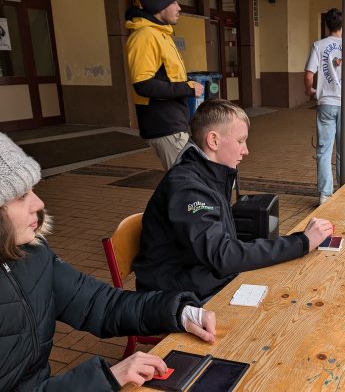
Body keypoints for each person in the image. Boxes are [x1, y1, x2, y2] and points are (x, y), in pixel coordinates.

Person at [0, 133, 216, 391]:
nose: (39, 202)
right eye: (21, 195)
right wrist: (108, 378)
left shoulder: (31, 253)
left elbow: (99, 303)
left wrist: (177, 311)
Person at [133, 99, 334, 301]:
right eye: (240, 141)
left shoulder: (208, 174)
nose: (245, 150)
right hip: (175, 298)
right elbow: (223, 256)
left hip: (200, 280)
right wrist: (301, 242)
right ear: (213, 141)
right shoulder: (187, 188)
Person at [126, 0, 204, 170]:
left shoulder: (161, 34)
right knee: (187, 183)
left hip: (174, 123)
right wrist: (187, 88)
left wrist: (186, 85)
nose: (179, 7)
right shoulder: (145, 36)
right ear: (158, 5)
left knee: (186, 183)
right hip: (165, 125)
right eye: (174, 2)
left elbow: (167, 77)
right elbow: (143, 84)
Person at [304, 8, 345, 206]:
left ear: (326, 25)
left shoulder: (318, 45)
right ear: (343, 26)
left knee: (324, 151)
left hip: (325, 104)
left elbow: (308, 75)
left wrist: (311, 90)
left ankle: (325, 195)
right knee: (344, 150)